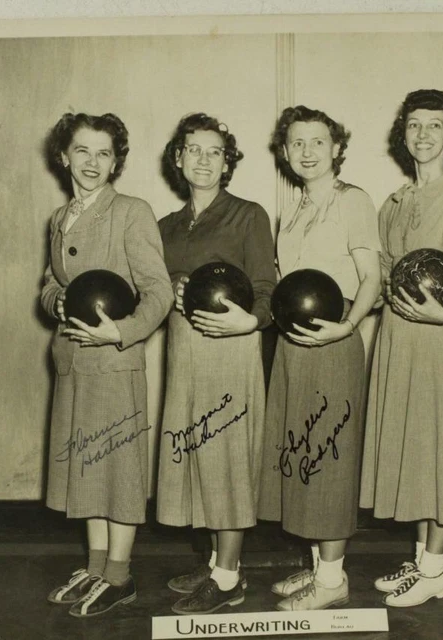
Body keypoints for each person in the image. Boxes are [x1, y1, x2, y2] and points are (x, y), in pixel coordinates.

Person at [360, 89, 443, 607]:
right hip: (397, 343)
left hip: (436, 342)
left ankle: (436, 571)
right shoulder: (394, 203)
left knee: (438, 457)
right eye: (414, 125)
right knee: (414, 455)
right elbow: (382, 276)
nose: (422, 135)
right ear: (404, 133)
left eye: (433, 126)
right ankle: (422, 563)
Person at [40, 112, 173, 617]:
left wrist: (123, 332)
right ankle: (96, 567)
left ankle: (120, 576)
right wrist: (54, 302)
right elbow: (52, 282)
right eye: (82, 151)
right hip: (72, 362)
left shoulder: (131, 211)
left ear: (116, 160)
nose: (93, 162)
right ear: (63, 156)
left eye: (104, 153)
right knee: (85, 467)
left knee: (116, 470)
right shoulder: (60, 217)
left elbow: (158, 291)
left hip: (115, 364)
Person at [257, 105, 383, 611]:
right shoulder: (293, 206)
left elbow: (371, 278)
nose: (307, 151)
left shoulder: (353, 201)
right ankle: (317, 568)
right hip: (292, 348)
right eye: (296, 143)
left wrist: (348, 326)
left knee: (328, 461)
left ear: (336, 149)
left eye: (317, 142)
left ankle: (333, 581)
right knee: (301, 458)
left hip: (333, 344)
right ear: (285, 152)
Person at [155, 113, 277, 615]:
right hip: (184, 350)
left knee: (227, 459)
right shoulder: (163, 226)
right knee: (197, 455)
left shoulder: (248, 215)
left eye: (214, 151)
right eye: (194, 150)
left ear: (228, 162)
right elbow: (154, 290)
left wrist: (249, 323)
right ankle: (215, 562)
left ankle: (228, 579)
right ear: (178, 158)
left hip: (231, 349)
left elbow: (267, 291)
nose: (203, 160)